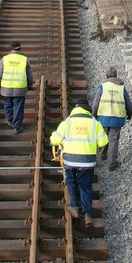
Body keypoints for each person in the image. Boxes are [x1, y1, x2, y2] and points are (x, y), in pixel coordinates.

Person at [50, 98, 108, 228]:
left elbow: (54, 140)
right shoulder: (94, 123)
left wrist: (54, 135)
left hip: (70, 160)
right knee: (86, 186)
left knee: (71, 181)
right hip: (87, 162)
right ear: (87, 109)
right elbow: (103, 142)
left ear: (75, 109)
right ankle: (87, 214)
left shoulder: (68, 122)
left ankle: (74, 207)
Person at [92, 67, 132, 171]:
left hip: (103, 118)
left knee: (102, 137)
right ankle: (112, 164)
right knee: (113, 141)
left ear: (107, 76)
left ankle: (102, 155)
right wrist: (129, 115)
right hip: (117, 118)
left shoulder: (102, 87)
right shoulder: (122, 88)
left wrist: (93, 116)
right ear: (116, 76)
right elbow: (129, 104)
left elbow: (95, 104)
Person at [0, 42, 33, 133]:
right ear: (20, 48)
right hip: (20, 88)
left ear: (11, 48)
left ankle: (9, 119)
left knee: (7, 104)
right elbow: (29, 75)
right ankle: (17, 127)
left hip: (6, 87)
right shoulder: (24, 59)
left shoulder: (5, 59)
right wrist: (30, 84)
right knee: (18, 107)